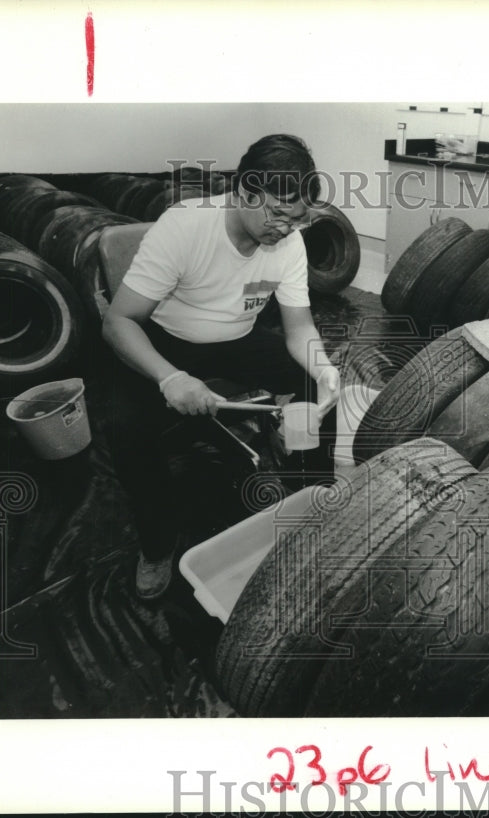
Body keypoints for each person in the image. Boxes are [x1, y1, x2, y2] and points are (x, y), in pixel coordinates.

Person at [102, 134, 340, 600]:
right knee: (125, 428)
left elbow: (298, 328)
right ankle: (156, 545)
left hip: (239, 335)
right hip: (168, 339)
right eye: (277, 215)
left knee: (311, 391)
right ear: (244, 193)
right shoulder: (185, 227)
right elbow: (118, 322)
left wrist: (323, 366)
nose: (286, 230)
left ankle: (308, 508)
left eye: (297, 220)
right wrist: (170, 377)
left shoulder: (288, 243)